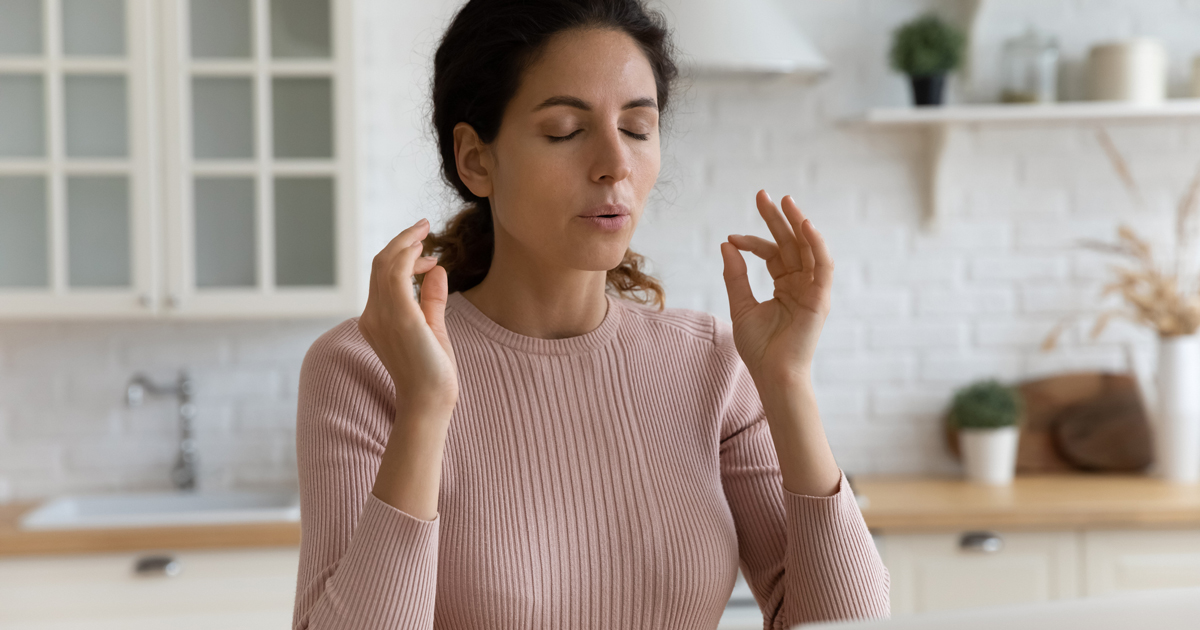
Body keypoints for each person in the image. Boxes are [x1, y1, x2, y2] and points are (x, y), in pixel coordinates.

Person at [291, 0, 890, 628]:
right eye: (564, 131)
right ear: (476, 159)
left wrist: (789, 385)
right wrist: (423, 408)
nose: (615, 164)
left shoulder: (710, 365)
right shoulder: (366, 368)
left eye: (637, 128)